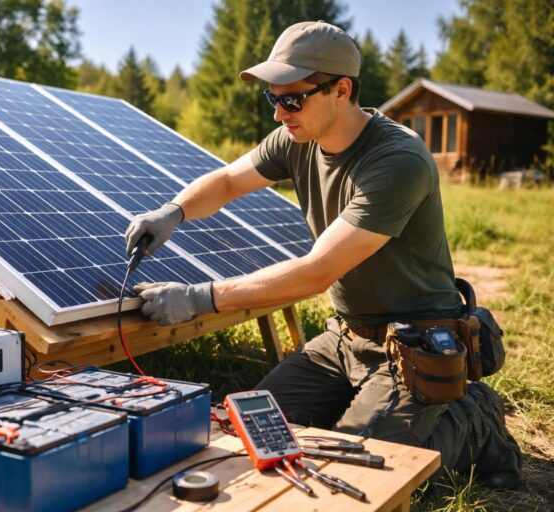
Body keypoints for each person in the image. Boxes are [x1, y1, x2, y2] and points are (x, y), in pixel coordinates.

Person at [124, 21, 521, 489]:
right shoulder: (297, 137)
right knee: (248, 427)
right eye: (273, 98)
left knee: (360, 469)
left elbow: (317, 272)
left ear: (342, 90)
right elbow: (230, 180)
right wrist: (173, 211)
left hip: (414, 341)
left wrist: (199, 298)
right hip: (343, 338)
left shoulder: (398, 160)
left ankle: (475, 419)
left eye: (291, 99)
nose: (279, 114)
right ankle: (373, 405)